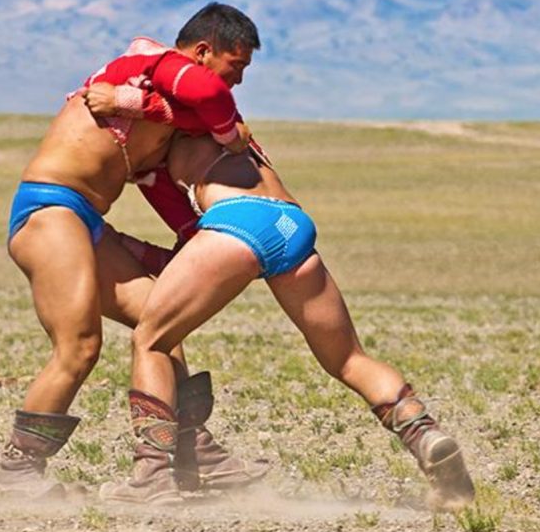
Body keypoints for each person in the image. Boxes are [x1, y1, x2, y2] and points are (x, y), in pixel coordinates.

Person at [97, 131, 478, 510]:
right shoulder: (218, 124)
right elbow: (187, 253)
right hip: (290, 223)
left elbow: (154, 100)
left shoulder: (173, 105)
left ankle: (151, 478)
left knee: (150, 340)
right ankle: (426, 435)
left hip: (238, 219)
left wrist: (117, 98)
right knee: (348, 358)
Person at [0, 3, 268, 499]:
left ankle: (182, 454)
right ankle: (18, 472)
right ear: (203, 51)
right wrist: (229, 134)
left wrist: (213, 249)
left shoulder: (158, 118)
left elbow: (172, 204)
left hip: (88, 223)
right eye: (237, 66)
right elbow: (208, 93)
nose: (239, 82)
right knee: (79, 346)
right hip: (50, 209)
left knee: (161, 324)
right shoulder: (150, 63)